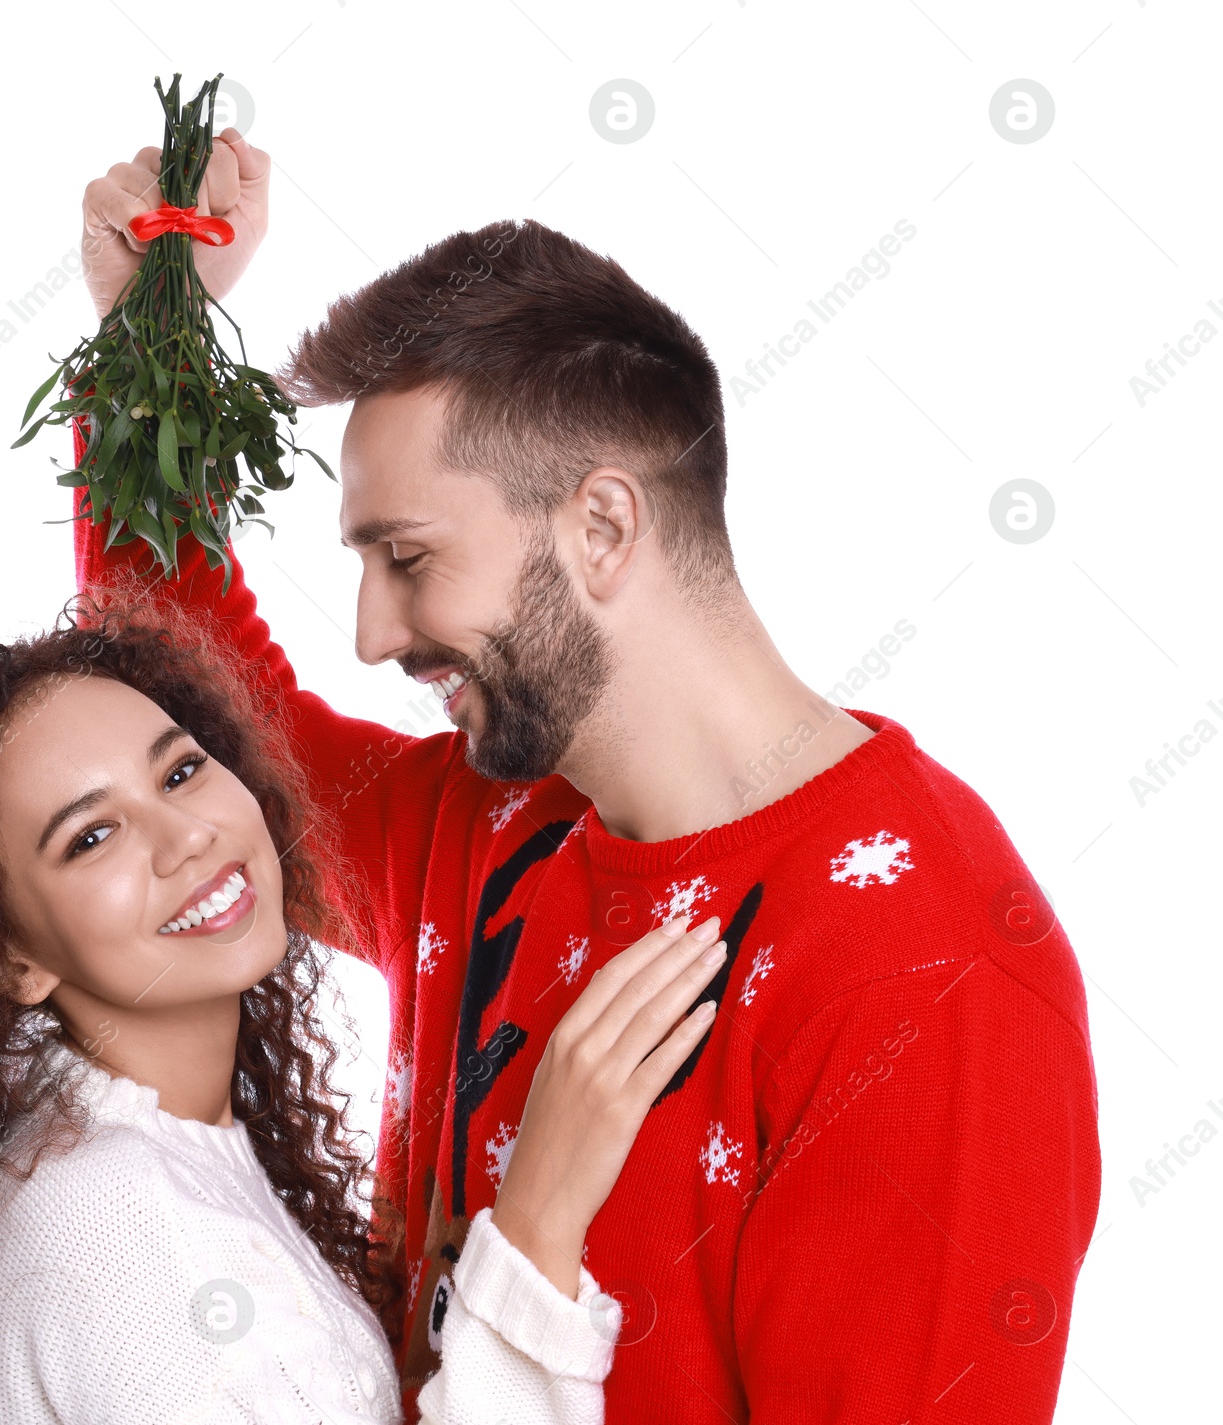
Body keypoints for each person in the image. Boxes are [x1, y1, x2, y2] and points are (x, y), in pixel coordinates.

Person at [68, 127, 1103, 1423]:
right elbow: (196, 715)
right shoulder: (494, 818)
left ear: (603, 523)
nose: (374, 634)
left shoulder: (927, 981)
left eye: (408, 556)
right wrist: (146, 341)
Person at [0, 601, 732, 1423]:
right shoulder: (115, 1229)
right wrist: (535, 1226)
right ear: (8, 956)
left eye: (180, 771)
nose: (185, 835)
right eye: (91, 836)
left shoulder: (117, 1148)